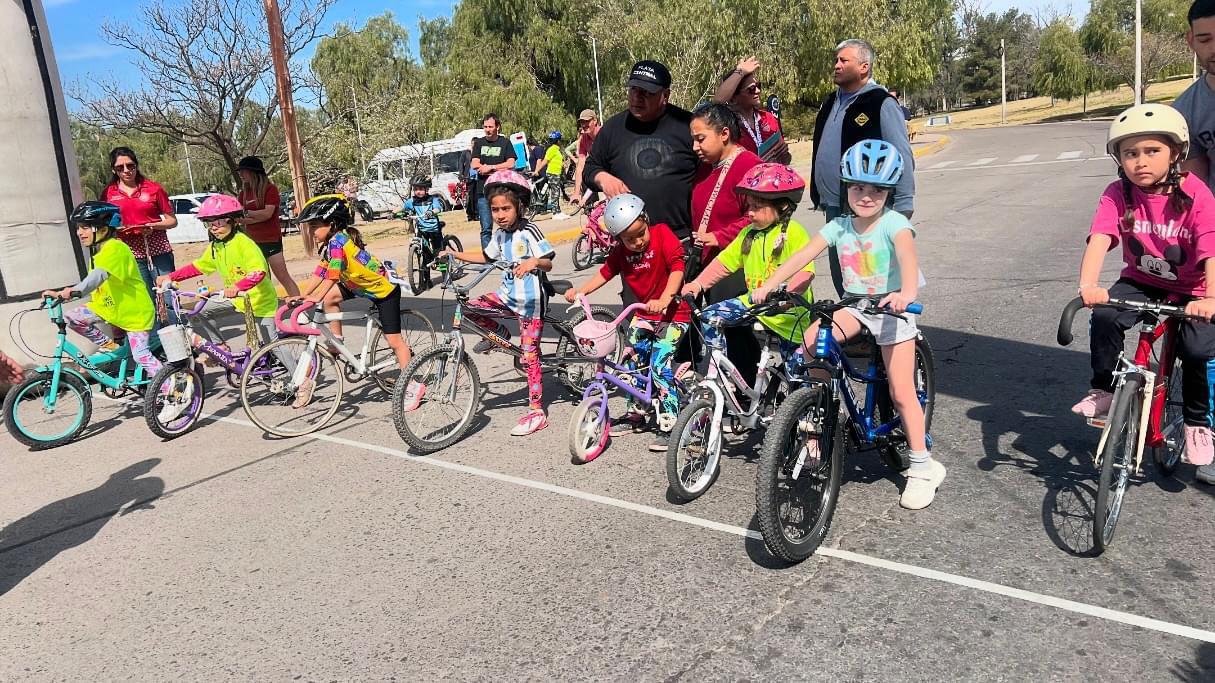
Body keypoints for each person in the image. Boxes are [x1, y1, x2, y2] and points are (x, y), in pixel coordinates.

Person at [753, 140, 941, 509]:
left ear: (889, 191)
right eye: (857, 187)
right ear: (845, 187)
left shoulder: (895, 224)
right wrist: (771, 285)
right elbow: (804, 254)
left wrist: (903, 294)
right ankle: (815, 420)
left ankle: (922, 467)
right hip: (855, 305)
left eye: (877, 189)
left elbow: (907, 259)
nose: (866, 196)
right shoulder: (840, 226)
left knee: (902, 391)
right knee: (812, 343)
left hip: (892, 308)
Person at [1071, 104, 1215, 470]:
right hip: (1141, 279)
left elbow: (1210, 247)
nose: (1141, 161)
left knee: (1196, 350)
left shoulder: (1196, 194)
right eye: (1130, 153)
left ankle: (1197, 424)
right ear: (1119, 158)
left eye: (1152, 151)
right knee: (1104, 316)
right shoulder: (1118, 193)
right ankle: (1103, 389)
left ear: (1176, 153)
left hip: (1192, 289)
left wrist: (1211, 297)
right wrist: (1089, 285)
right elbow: (1101, 236)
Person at [564, 194, 692, 451]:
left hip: (673, 314)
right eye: (629, 238)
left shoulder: (661, 234)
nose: (637, 241)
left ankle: (670, 421)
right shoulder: (621, 252)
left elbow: (678, 265)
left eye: (640, 233)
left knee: (659, 366)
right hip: (644, 314)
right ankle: (637, 413)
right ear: (618, 239)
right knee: (631, 362)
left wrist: (666, 297)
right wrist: (582, 291)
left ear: (646, 220)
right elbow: (605, 272)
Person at [436, 170, 555, 437]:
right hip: (507, 295)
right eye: (495, 209)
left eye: (506, 208)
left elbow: (548, 259)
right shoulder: (499, 235)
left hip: (530, 302)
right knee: (468, 307)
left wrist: (534, 262)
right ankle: (498, 334)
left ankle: (537, 411)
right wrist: (455, 254)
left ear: (519, 207)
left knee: (529, 356)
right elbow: (487, 257)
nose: (500, 214)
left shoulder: (530, 231)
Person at [681, 163, 816, 392]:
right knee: (710, 317)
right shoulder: (748, 234)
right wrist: (698, 284)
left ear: (782, 205)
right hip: (755, 305)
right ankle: (721, 375)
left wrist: (788, 295)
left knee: (799, 379)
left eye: (757, 206)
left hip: (789, 316)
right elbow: (724, 262)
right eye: (749, 206)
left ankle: (799, 415)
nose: (750, 212)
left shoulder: (793, 232)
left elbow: (806, 272)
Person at [42, 202, 176, 417]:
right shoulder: (100, 250)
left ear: (103, 228)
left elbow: (97, 277)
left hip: (134, 314)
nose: (79, 232)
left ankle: (173, 393)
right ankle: (111, 346)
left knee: (141, 355)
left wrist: (70, 292)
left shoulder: (116, 248)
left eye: (85, 227)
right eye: (78, 227)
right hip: (110, 310)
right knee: (73, 317)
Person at [811, 39, 915, 298]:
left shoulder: (880, 102)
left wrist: (904, 202)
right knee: (843, 274)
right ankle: (854, 329)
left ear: (864, 67)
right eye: (835, 60)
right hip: (835, 203)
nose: (836, 66)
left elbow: (902, 153)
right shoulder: (830, 101)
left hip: (866, 202)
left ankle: (883, 332)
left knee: (872, 278)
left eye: (843, 61)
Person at [293, 194, 419, 408]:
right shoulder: (332, 242)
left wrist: (315, 296)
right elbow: (321, 271)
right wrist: (306, 294)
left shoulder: (338, 243)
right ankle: (337, 338)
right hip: (357, 285)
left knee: (394, 342)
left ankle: (412, 386)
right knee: (330, 298)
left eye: (314, 226)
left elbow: (332, 276)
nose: (311, 232)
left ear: (331, 224)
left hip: (383, 290)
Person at [689, 102, 764, 385]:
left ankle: (747, 391)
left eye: (700, 139)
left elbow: (759, 217)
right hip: (707, 259)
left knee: (736, 331)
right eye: (693, 140)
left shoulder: (750, 166)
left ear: (723, 133)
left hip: (734, 262)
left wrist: (720, 236)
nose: (696, 147)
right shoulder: (707, 166)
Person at [583, 60, 699, 240]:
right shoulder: (613, 129)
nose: (637, 97)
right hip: (631, 243)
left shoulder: (688, 125)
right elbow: (589, 169)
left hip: (682, 239)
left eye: (646, 92)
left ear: (665, 95)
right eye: (634, 90)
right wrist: (603, 178)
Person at [156, 194, 280, 353]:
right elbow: (199, 266)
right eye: (209, 223)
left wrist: (237, 287)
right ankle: (221, 346)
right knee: (201, 309)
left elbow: (258, 272)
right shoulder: (217, 246)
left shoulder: (244, 243)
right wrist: (170, 276)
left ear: (233, 221)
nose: (214, 227)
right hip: (236, 300)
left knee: (273, 346)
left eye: (219, 222)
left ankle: (300, 376)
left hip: (259, 301)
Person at [1176, 0, 1215, 483]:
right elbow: (1195, 190)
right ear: (1191, 42)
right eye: (1205, 39)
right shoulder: (1187, 110)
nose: (1214, 48)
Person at [100, 146, 178, 320]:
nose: (126, 171)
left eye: (130, 166)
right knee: (144, 300)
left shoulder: (153, 188)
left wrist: (153, 226)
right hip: (129, 254)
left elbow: (172, 221)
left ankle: (183, 338)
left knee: (168, 297)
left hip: (158, 250)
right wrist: (116, 229)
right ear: (114, 169)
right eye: (120, 168)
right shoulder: (108, 193)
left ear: (136, 165)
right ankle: (152, 342)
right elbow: (105, 223)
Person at [235, 156, 299, 298]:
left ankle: (300, 310)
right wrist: (254, 217)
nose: (241, 175)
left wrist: (248, 214)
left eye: (243, 171)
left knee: (283, 276)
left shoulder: (270, 189)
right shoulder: (243, 194)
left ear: (253, 172)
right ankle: (270, 313)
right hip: (252, 242)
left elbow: (267, 214)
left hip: (271, 240)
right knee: (262, 280)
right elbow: (239, 219)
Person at [713, 56, 792, 164]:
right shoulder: (729, 124)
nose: (758, 91)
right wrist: (740, 71)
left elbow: (785, 160)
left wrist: (783, 154)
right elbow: (718, 101)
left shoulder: (768, 118)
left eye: (758, 86)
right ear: (734, 97)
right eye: (751, 89)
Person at [471, 114, 519, 249]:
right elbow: (475, 163)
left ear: (497, 127)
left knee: (506, 224)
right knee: (486, 228)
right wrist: (484, 169)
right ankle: (488, 258)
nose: (487, 129)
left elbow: (511, 163)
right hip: (483, 191)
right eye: (485, 126)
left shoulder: (505, 142)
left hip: (502, 190)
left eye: (490, 126)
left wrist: (491, 168)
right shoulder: (479, 143)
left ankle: (508, 251)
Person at [403, 177, 447, 289]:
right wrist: (392, 214)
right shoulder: (411, 201)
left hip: (434, 230)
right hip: (422, 231)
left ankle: (446, 277)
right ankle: (426, 280)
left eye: (421, 189)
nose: (418, 191)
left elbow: (438, 208)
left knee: (439, 254)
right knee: (424, 256)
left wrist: (432, 212)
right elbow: (401, 208)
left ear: (427, 189)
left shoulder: (433, 199)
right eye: (416, 189)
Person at [533, 131, 569, 218]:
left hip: (556, 173)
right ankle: (556, 213)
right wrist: (537, 170)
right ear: (558, 141)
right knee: (555, 193)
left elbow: (555, 161)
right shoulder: (552, 149)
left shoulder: (556, 149)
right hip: (553, 173)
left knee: (555, 192)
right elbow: (544, 161)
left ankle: (558, 211)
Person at [572, 109, 602, 204]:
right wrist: (576, 193)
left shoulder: (605, 134)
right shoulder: (584, 139)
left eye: (587, 121)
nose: (584, 125)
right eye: (582, 122)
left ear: (595, 121)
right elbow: (580, 166)